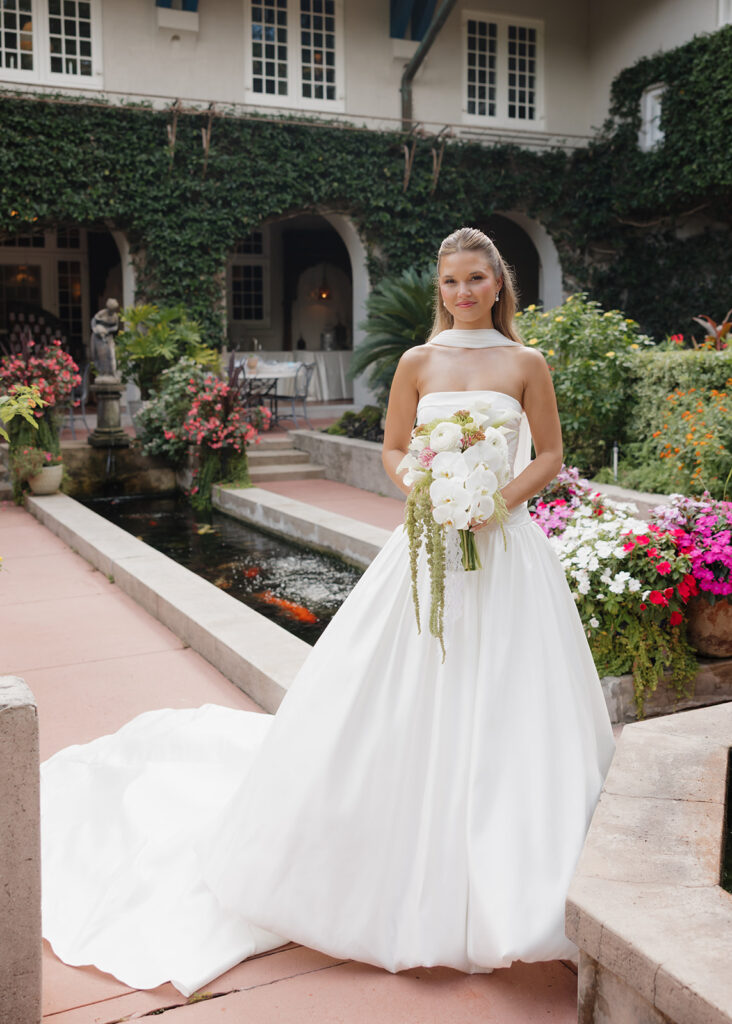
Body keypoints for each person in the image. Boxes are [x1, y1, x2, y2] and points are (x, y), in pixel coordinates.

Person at [41, 227, 615, 998]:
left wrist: (492, 501)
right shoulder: (417, 362)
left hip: (504, 550)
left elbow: (548, 454)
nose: (463, 293)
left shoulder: (525, 363)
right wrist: (427, 491)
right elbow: (392, 448)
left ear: (499, 284)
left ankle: (514, 872)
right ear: (440, 287)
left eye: (476, 279)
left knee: (512, 701)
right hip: (427, 543)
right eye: (450, 281)